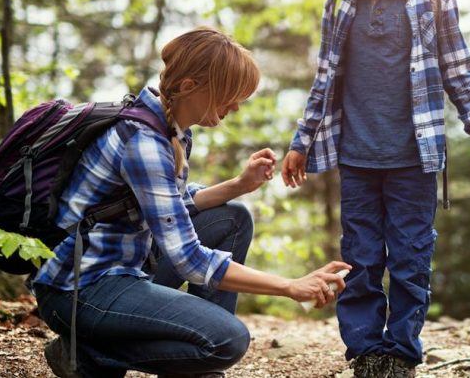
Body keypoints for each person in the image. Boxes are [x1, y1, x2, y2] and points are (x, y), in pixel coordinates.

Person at [32, 26, 350, 378]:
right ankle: (91, 356)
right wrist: (290, 286)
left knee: (233, 219)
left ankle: (197, 367)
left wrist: (240, 185)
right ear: (189, 87)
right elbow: (190, 260)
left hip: (126, 269)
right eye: (230, 95)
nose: (236, 107)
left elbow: (177, 205)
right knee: (227, 340)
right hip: (79, 291)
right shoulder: (145, 142)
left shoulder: (170, 127)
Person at [280, 0, 470, 378]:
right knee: (359, 257)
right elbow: (324, 82)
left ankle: (400, 351)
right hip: (356, 159)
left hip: (414, 161)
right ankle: (363, 349)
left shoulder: (434, 0)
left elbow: (459, 73)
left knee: (410, 256)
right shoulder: (339, 5)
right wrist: (302, 142)